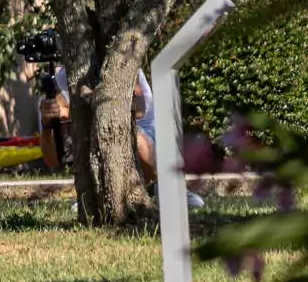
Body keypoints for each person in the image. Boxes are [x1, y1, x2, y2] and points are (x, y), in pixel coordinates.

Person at [40, 66, 204, 208]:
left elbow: (138, 110)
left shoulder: (123, 63)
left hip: (148, 142)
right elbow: (51, 161)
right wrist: (48, 123)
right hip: (105, 145)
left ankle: (171, 189)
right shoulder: (59, 83)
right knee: (91, 136)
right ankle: (94, 197)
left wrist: (77, 110)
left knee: (133, 140)